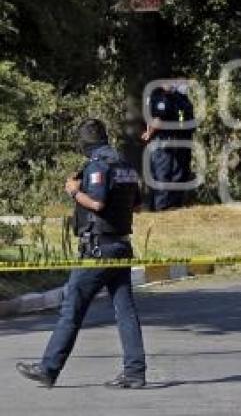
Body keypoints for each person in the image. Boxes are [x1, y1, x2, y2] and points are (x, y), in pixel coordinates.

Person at [16, 119, 146, 389]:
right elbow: (137, 206)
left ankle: (48, 368)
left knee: (71, 308)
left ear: (85, 144)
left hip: (98, 250)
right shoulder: (125, 165)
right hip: (121, 245)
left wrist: (75, 192)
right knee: (125, 311)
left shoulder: (98, 165)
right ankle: (134, 372)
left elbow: (96, 202)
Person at [142, 83, 178, 211]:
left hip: (157, 142)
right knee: (162, 174)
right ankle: (161, 207)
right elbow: (158, 120)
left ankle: (153, 206)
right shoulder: (161, 98)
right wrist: (149, 134)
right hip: (161, 142)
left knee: (156, 174)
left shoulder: (154, 96)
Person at [170, 82, 196, 206]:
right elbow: (180, 119)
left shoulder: (184, 99)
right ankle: (174, 201)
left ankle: (180, 200)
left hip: (187, 138)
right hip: (180, 138)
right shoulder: (176, 99)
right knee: (178, 170)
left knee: (184, 170)